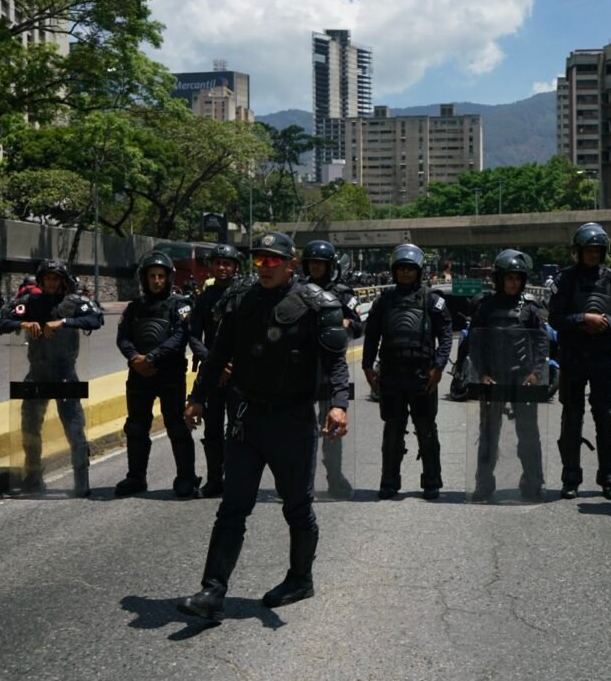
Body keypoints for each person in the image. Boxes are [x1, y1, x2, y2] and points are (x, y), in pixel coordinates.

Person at [178, 232, 349, 620]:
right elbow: (218, 354)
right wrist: (198, 397)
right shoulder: (240, 300)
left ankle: (300, 579)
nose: (264, 267)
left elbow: (335, 362)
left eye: (273, 260)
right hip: (247, 417)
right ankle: (212, 591)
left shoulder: (317, 304)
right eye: (259, 260)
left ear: (292, 264)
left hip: (293, 420)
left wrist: (339, 405)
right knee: (233, 507)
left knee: (297, 506)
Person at [0, 259, 103, 496]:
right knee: (30, 429)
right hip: (37, 375)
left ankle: (81, 480)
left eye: (56, 278)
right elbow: (0, 322)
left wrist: (63, 323)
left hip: (66, 376)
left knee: (75, 431)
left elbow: (96, 319)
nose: (51, 282)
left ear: (62, 281)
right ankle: (33, 477)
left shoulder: (74, 302)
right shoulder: (29, 302)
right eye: (47, 278)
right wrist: (24, 323)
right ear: (41, 280)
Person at [547, 222, 611, 500]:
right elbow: (555, 319)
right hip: (573, 358)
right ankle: (570, 478)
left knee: (606, 418)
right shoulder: (565, 280)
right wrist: (583, 319)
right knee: (572, 418)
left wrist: (606, 322)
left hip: (603, 358)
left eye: (597, 250)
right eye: (589, 250)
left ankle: (609, 478)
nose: (593, 255)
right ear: (579, 252)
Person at [362, 243, 453, 500]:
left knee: (426, 429)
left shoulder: (432, 300)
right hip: (391, 374)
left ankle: (432, 481)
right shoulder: (383, 301)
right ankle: (389, 481)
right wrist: (367, 366)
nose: (405, 273)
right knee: (392, 430)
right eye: (401, 268)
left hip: (422, 375)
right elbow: (372, 335)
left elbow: (446, 336)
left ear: (419, 271)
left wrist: (438, 367)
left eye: (410, 269)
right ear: (394, 270)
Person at [115, 250, 198, 498]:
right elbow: (123, 338)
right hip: (139, 375)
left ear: (168, 277)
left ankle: (186, 478)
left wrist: (151, 358)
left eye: (161, 276)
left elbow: (180, 336)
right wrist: (135, 358)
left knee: (177, 426)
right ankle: (136, 477)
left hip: (170, 375)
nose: (157, 281)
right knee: (136, 427)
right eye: (152, 276)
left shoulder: (181, 305)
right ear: (145, 278)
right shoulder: (134, 307)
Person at [468, 249, 548, 501]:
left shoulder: (530, 307)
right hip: (493, 379)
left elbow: (542, 343)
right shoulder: (485, 307)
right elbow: (475, 344)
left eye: (518, 278)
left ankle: (533, 482)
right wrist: (481, 374)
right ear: (499, 279)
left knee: (528, 435)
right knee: (489, 434)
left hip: (523, 380)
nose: (514, 283)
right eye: (509, 278)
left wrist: (536, 373)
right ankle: (484, 484)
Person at [302, 239, 364, 498]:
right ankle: (300, 481)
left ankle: (334, 478)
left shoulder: (343, 293)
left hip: (331, 366)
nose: (316, 267)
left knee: (332, 428)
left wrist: (345, 324)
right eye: (312, 263)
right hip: (302, 368)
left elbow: (359, 325)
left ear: (330, 266)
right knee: (300, 430)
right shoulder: (298, 291)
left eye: (321, 263)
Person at [187, 243, 245, 498]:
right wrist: (213, 363)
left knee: (238, 428)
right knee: (212, 429)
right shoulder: (203, 298)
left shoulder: (246, 296)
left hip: (239, 373)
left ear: (235, 267)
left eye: (227, 263)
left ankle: (236, 480)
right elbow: (194, 336)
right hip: (211, 373)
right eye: (218, 263)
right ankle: (214, 480)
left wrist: (232, 364)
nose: (222, 267)